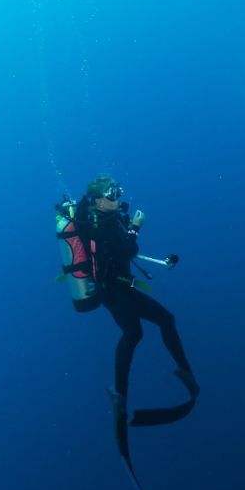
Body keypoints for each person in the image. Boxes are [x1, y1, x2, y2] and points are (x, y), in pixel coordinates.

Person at [78, 174, 201, 418]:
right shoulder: (103, 224)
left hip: (114, 288)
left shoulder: (96, 217)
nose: (117, 197)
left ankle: (122, 394)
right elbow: (127, 250)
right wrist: (135, 227)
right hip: (115, 290)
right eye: (111, 195)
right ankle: (125, 392)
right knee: (149, 327)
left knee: (140, 331)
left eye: (117, 191)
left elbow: (117, 252)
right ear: (99, 202)